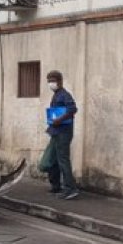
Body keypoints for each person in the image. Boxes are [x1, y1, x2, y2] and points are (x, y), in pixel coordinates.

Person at [39, 70, 79, 200]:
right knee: (52, 160)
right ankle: (56, 186)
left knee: (63, 160)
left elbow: (72, 109)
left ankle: (70, 188)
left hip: (63, 132)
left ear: (60, 81)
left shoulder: (64, 95)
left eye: (53, 80)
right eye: (49, 81)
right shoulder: (56, 95)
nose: (51, 83)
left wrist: (59, 120)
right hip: (55, 132)